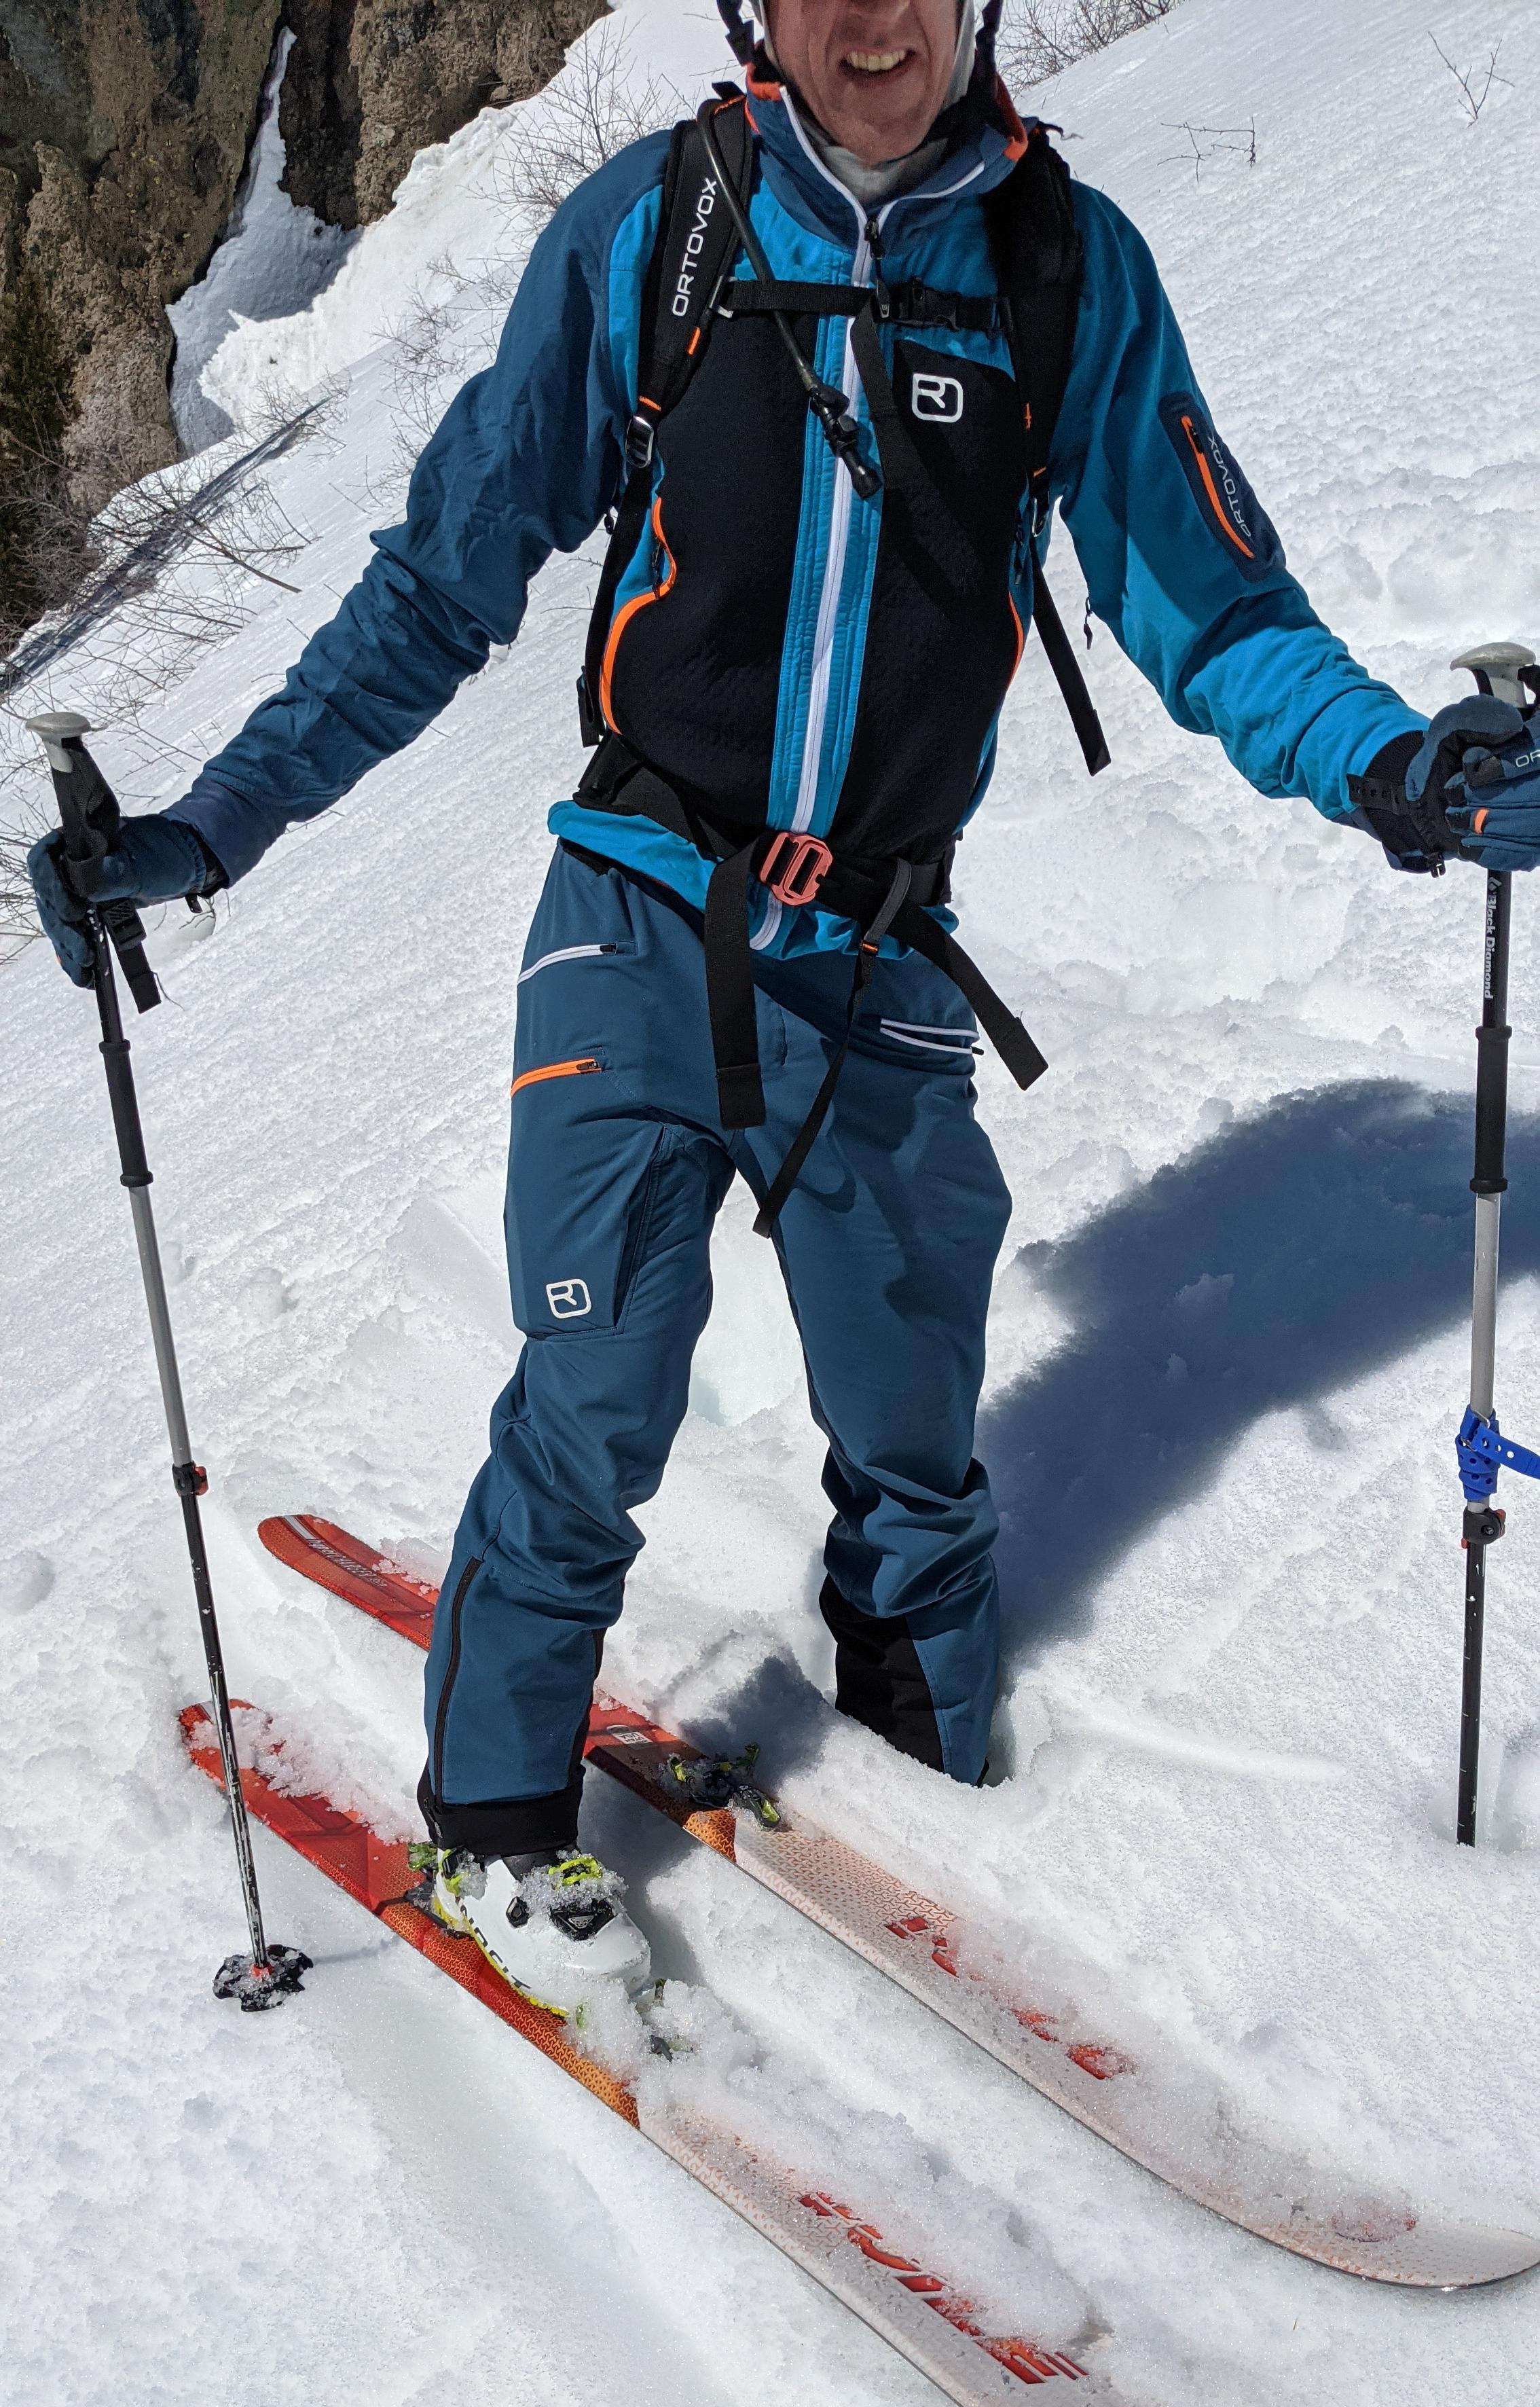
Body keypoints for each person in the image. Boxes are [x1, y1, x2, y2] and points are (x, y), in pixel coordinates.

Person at [31, 0, 1540, 2015]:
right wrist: (215, 823)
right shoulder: (655, 231)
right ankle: (496, 1830)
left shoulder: (1060, 271)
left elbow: (1215, 610)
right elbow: (439, 584)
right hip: (640, 911)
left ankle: (940, 1798)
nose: (871, 21)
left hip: (884, 964)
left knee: (915, 1451)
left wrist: (1392, 770)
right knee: (599, 1389)